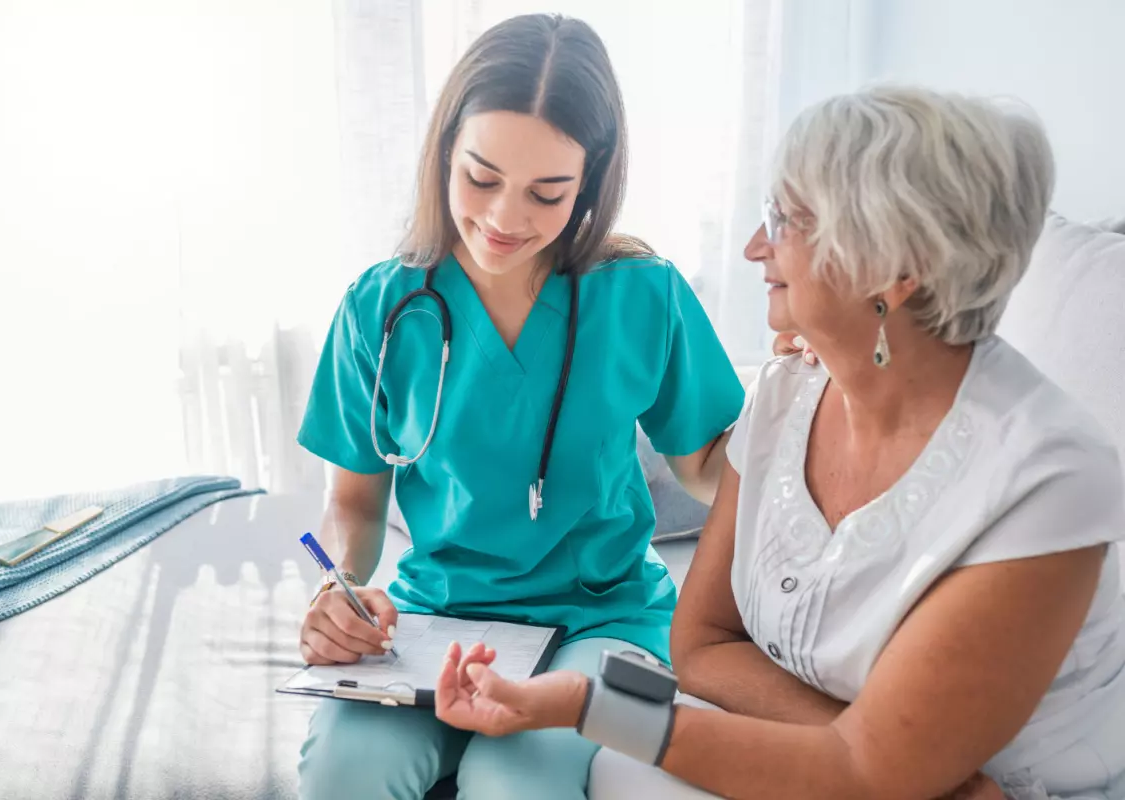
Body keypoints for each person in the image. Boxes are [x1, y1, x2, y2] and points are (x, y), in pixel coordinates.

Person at [433, 86, 1125, 800]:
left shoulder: (1047, 480)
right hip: (901, 775)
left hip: (1009, 790)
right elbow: (701, 646)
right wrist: (888, 752)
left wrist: (589, 705)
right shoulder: (788, 392)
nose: (755, 247)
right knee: (622, 771)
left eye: (786, 221)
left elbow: (861, 774)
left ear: (897, 266)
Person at [295, 13, 747, 800]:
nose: (505, 219)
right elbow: (354, 502)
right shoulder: (380, 307)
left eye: (547, 193)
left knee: (516, 782)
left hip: (609, 623)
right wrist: (337, 587)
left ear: (593, 183)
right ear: (443, 155)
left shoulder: (643, 295)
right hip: (434, 617)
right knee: (345, 770)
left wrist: (815, 406)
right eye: (480, 178)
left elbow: (714, 467)